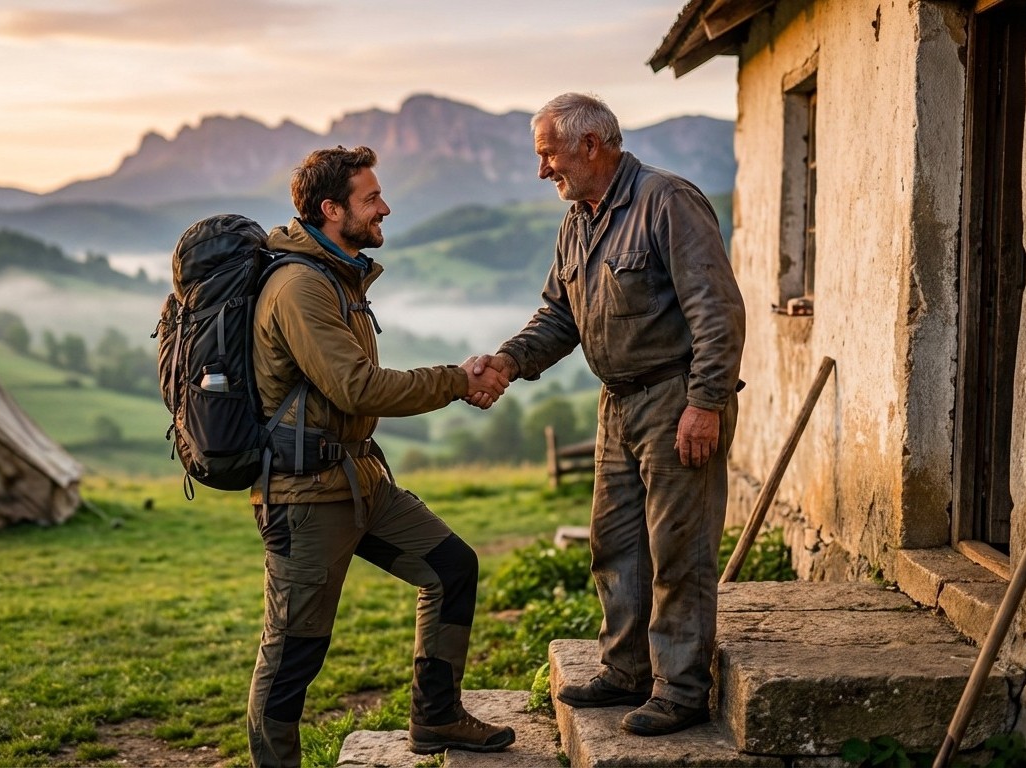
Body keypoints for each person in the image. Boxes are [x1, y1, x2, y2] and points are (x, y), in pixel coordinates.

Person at [473, 92, 745, 737]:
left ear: (591, 145)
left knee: (678, 550)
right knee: (615, 544)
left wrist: (706, 403)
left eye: (549, 154)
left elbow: (718, 312)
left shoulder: (666, 201)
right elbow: (561, 314)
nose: (543, 170)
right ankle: (626, 671)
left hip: (677, 398)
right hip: (617, 403)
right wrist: (508, 362)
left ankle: (680, 691)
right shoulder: (579, 219)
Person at [246, 145, 516, 766]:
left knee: (451, 568)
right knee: (292, 656)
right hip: (306, 497)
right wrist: (456, 379)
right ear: (331, 209)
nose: (385, 208)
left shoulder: (339, 276)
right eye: (371, 199)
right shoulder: (298, 287)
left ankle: (436, 718)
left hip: (359, 480)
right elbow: (357, 387)